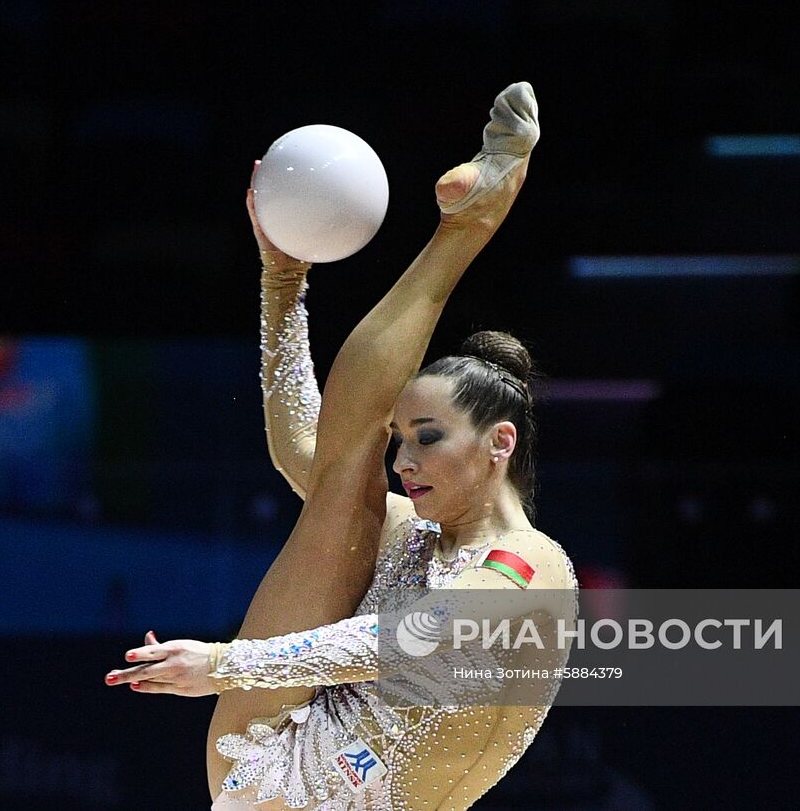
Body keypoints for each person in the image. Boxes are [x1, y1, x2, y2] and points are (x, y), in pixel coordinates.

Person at [105, 83, 578, 809]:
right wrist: (280, 282)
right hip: (280, 760)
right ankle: (462, 226)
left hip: (281, 780)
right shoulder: (404, 531)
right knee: (341, 467)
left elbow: (408, 639)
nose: (404, 461)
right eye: (401, 439)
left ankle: (466, 229)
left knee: (344, 473)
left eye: (427, 437)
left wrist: (227, 664)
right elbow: (306, 447)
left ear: (499, 443)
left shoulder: (532, 568)